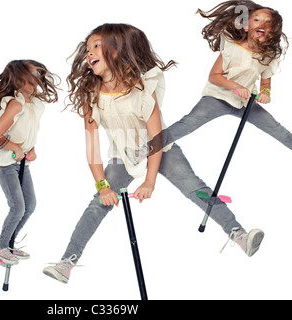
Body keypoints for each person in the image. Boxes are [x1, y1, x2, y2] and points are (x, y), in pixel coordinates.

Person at [43, 23, 263, 284]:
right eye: (88, 48)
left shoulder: (143, 89)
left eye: (97, 46)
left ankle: (238, 234)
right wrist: (103, 186)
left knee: (195, 188)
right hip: (123, 157)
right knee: (97, 204)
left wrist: (150, 181)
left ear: (118, 49)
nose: (89, 53)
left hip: (160, 149)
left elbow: (156, 140)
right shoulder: (91, 95)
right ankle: (67, 262)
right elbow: (92, 146)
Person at [130, 0, 292, 169]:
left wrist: (266, 92)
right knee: (187, 125)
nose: (262, 24)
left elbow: (266, 80)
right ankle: (142, 151)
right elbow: (214, 76)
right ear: (245, 26)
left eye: (268, 23)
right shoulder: (232, 46)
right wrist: (237, 87)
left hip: (245, 102)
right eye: (257, 20)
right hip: (217, 97)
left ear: (273, 32)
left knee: (276, 128)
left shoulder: (268, 56)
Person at [0, 59, 60, 264]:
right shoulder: (15, 104)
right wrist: (16, 148)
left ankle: (9, 243)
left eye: (38, 77)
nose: (36, 81)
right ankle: (2, 248)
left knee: (30, 204)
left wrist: (32, 149)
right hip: (3, 159)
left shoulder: (35, 104)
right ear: (19, 80)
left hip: (20, 161)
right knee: (17, 206)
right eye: (32, 77)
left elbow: (29, 131)